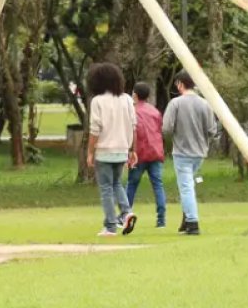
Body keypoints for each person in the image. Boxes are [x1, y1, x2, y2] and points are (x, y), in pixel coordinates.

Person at [86, 62, 137, 237]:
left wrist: (90, 152)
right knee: (117, 184)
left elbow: (95, 129)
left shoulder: (97, 101)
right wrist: (132, 150)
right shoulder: (127, 99)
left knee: (106, 188)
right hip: (122, 149)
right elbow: (133, 126)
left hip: (104, 150)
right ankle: (126, 212)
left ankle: (110, 226)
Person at [163, 70, 216, 236]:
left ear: (180, 84)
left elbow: (166, 128)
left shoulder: (176, 103)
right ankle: (185, 221)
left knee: (186, 188)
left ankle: (192, 222)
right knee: (189, 186)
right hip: (199, 152)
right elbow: (212, 130)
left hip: (182, 152)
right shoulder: (205, 104)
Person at [126, 82, 167, 228]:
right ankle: (161, 219)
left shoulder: (132, 111)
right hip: (155, 152)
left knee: (132, 184)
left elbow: (131, 132)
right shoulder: (155, 112)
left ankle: (126, 214)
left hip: (139, 153)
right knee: (158, 185)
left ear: (135, 95)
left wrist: (130, 152)